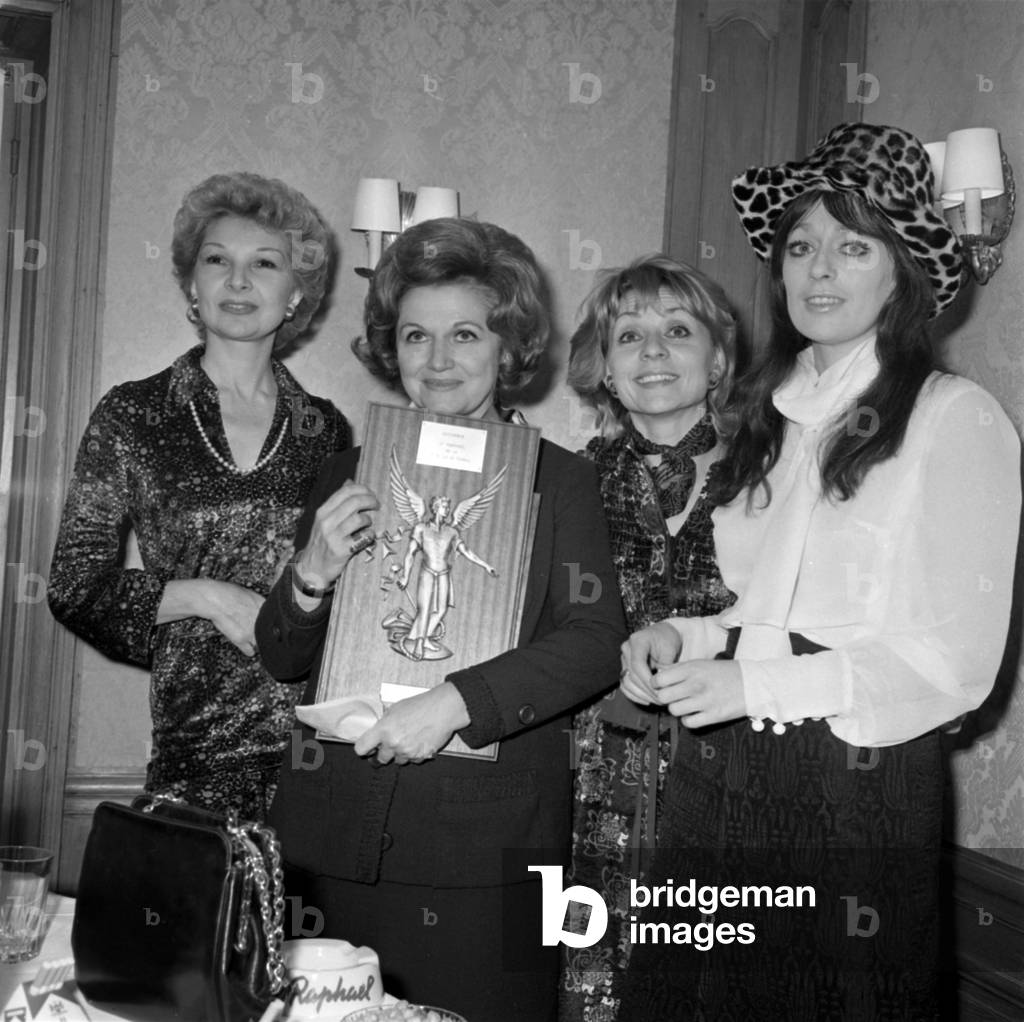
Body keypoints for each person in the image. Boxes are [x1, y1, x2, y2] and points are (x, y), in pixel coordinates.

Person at [617, 123, 1021, 1020]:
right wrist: (684, 634)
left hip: (853, 781)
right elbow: (768, 604)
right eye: (801, 246)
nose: (819, 270)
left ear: (902, 268)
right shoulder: (772, 412)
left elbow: (954, 662)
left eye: (852, 245)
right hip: (720, 767)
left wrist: (756, 686)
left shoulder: (957, 419)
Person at [255, 217, 626, 1022]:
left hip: (487, 857)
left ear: (508, 346)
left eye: (465, 334)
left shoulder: (560, 482)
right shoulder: (345, 472)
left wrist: (453, 704)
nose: (438, 359)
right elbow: (282, 656)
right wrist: (310, 575)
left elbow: (596, 645)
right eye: (416, 335)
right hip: (330, 841)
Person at [48, 172, 350, 820]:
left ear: (296, 293)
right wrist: (209, 598)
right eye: (218, 261)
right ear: (192, 284)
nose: (238, 282)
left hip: (318, 754)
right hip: (193, 757)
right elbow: (75, 587)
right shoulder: (134, 415)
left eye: (264, 264)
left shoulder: (325, 430)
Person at [558, 256, 739, 1020]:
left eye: (677, 330)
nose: (654, 351)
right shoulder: (560, 483)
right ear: (604, 367)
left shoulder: (775, 475)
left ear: (718, 358)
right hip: (587, 791)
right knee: (589, 995)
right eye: (629, 335)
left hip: (734, 779)